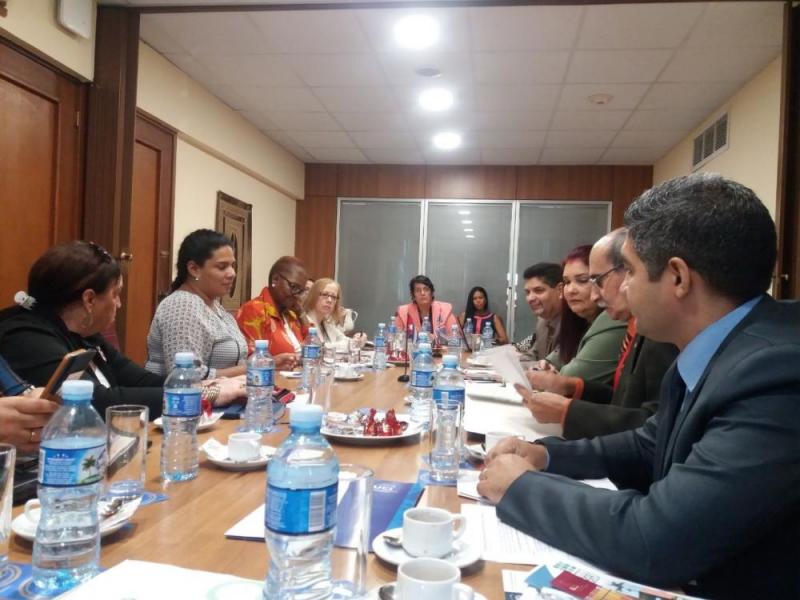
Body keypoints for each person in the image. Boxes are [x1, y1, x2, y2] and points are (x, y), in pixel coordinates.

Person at [477, 174, 800, 598]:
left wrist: (520, 487)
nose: (618, 286)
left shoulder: (777, 372)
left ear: (678, 278)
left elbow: (657, 539)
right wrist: (544, 455)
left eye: (627, 269)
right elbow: (649, 444)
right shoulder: (716, 347)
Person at [0, 241, 204, 419]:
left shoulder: (86, 335)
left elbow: (139, 380)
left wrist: (205, 387)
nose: (119, 304)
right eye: (116, 294)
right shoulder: (25, 337)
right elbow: (97, 403)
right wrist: (199, 394)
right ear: (89, 299)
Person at [519, 229, 678, 439]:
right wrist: (570, 386)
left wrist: (567, 412)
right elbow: (621, 400)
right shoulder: (636, 325)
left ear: (676, 275)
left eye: (592, 280)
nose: (594, 295)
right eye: (567, 282)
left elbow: (655, 428)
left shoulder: (660, 331)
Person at [146, 229, 248, 379]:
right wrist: (252, 369)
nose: (232, 273)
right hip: (186, 401)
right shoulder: (182, 305)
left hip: (225, 397)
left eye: (232, 265)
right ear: (194, 269)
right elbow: (186, 376)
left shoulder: (215, 307)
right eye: (222, 267)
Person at [545, 245, 626, 384]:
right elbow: (550, 360)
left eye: (582, 280)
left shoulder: (614, 317)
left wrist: (551, 374)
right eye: (567, 282)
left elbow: (571, 376)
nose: (570, 290)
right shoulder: (577, 319)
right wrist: (544, 366)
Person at [236, 256, 308, 369]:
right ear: (275, 280)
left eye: (301, 291)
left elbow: (314, 346)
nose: (297, 295)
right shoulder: (255, 310)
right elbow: (254, 360)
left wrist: (301, 314)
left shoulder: (291, 313)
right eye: (294, 287)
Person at [512, 263, 563, 361]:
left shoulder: (574, 323)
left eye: (539, 290)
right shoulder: (541, 322)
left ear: (560, 290)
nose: (530, 298)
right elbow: (533, 355)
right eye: (527, 292)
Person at [303, 278, 366, 350]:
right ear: (313, 296)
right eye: (324, 294)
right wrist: (348, 345)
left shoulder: (326, 322)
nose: (329, 300)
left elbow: (344, 340)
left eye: (333, 297)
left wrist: (358, 339)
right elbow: (319, 348)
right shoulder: (304, 321)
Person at [395, 275, 458, 341]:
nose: (422, 293)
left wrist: (434, 339)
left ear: (431, 293)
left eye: (426, 289)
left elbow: (454, 338)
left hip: (439, 350)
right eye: (418, 290)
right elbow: (396, 338)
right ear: (413, 295)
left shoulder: (444, 311)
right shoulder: (404, 312)